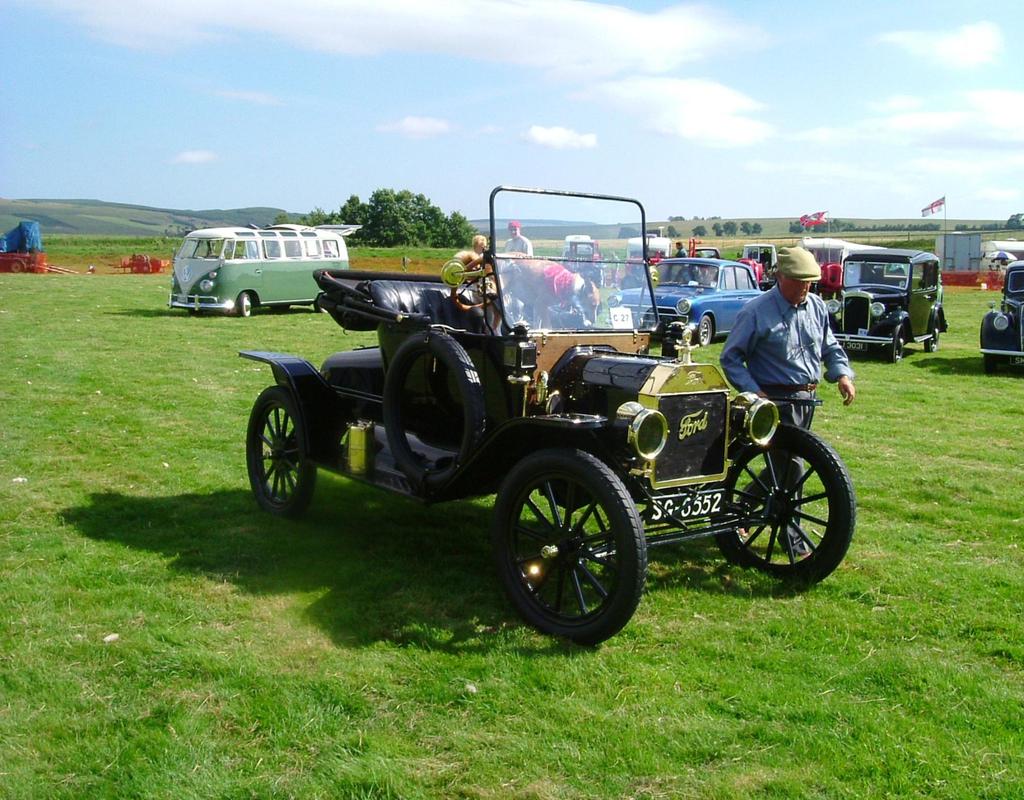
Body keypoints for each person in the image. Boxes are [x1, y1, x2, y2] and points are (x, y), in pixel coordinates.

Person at [720, 246, 855, 554]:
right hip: (774, 401)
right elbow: (730, 358)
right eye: (798, 281)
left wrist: (842, 375)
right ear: (780, 277)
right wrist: (754, 392)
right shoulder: (755, 311)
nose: (805, 288)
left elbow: (829, 346)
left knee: (786, 465)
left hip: (807, 398)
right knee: (791, 467)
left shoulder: (817, 307)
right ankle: (790, 538)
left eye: (809, 282)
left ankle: (741, 507)